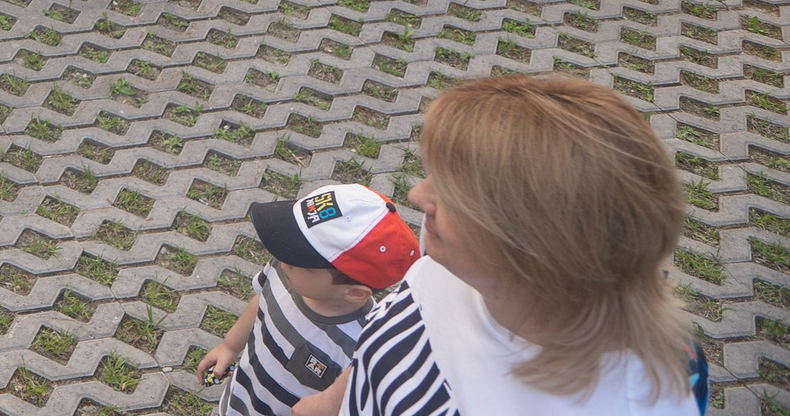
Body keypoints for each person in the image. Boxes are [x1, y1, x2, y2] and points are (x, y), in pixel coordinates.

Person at [328, 73, 706, 416]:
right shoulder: (457, 256)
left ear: (534, 244)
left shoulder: (627, 405)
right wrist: (333, 401)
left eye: (452, 193)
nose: (417, 195)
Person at [199, 181, 422, 416]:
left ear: (355, 293)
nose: (282, 258)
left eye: (298, 259)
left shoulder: (361, 343)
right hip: (241, 399)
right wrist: (229, 346)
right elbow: (261, 301)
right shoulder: (284, 270)